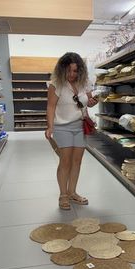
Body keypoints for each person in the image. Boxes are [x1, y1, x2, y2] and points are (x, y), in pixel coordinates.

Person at [45, 52, 97, 210]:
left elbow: (89, 103)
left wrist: (93, 102)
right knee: (65, 161)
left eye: (75, 71)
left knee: (77, 161)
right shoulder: (56, 84)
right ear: (62, 70)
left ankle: (73, 192)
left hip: (79, 126)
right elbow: (51, 106)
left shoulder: (83, 83)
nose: (72, 74)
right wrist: (50, 126)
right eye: (69, 71)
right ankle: (63, 195)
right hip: (62, 127)